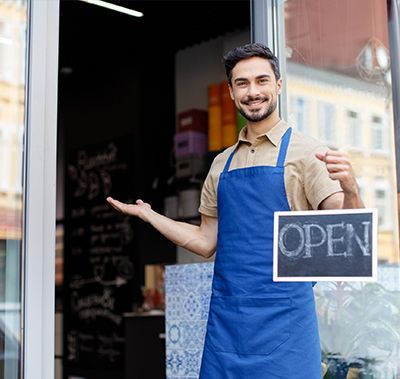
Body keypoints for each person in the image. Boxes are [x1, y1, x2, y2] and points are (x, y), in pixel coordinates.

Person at [107, 42, 364, 378]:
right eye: (242, 83)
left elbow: (348, 238)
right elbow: (205, 240)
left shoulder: (307, 154)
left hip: (286, 328)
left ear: (278, 85)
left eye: (262, 81)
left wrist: (351, 189)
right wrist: (149, 215)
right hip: (228, 324)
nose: (252, 91)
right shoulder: (221, 164)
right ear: (230, 91)